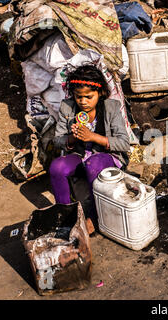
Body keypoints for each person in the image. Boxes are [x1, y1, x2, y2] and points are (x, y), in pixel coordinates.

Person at [50, 65, 131, 234]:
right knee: (57, 167)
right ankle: (67, 216)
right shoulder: (67, 107)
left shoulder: (111, 108)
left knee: (93, 164)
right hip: (79, 154)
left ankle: (94, 217)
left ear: (100, 92)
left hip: (106, 156)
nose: (83, 101)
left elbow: (124, 143)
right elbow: (57, 140)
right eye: (79, 97)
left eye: (89, 97)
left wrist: (93, 137)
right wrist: (73, 138)